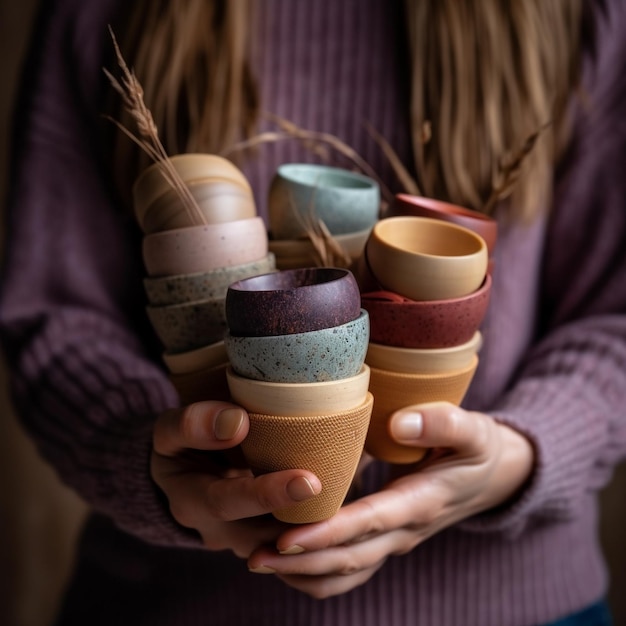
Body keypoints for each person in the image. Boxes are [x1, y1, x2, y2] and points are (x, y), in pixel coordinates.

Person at [1, 0, 624, 624]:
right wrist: (155, 461)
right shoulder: (103, 13)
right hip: (170, 604)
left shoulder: (579, 13)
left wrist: (526, 450)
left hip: (520, 604)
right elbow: (55, 316)